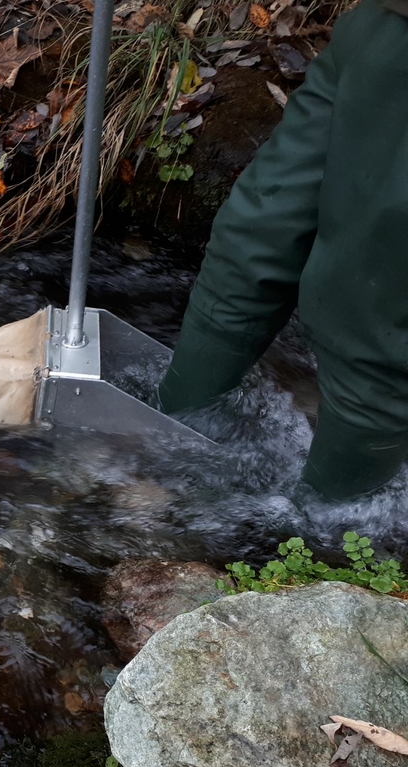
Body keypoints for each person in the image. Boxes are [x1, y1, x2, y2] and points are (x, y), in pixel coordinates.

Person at [156, 0, 408, 500]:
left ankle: (322, 540)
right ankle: (162, 444)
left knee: (370, 308)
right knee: (253, 235)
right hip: (382, 23)